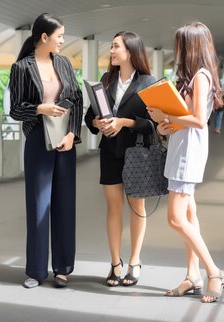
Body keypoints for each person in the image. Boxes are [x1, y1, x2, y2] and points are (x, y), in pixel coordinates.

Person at [148, 22, 224, 304]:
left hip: (188, 153)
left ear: (191, 47)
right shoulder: (191, 77)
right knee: (190, 217)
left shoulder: (202, 77)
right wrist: (163, 122)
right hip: (180, 149)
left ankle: (214, 272)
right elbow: (184, 119)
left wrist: (167, 118)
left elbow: (198, 120)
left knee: (175, 219)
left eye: (181, 44)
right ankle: (192, 275)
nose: (177, 50)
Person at [8, 13, 82, 289]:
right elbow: (15, 109)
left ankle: (62, 269)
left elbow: (76, 99)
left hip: (65, 140)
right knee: (39, 206)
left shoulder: (64, 63)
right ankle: (36, 271)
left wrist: (72, 134)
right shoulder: (22, 68)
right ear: (44, 37)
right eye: (59, 36)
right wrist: (41, 108)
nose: (62, 40)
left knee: (65, 204)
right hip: (38, 139)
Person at [84, 31, 157, 287]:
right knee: (113, 208)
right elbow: (89, 116)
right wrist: (96, 122)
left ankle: (134, 261)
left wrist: (123, 122)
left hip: (136, 151)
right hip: (110, 150)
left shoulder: (149, 82)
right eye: (111, 46)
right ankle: (115, 263)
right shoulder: (106, 80)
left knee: (138, 208)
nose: (111, 51)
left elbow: (154, 124)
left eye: (116, 46)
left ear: (130, 51)